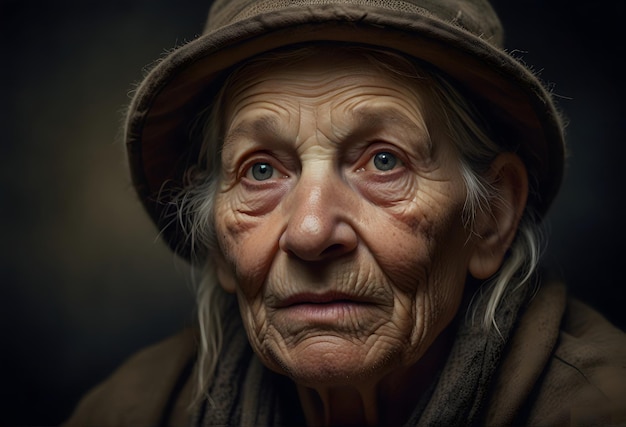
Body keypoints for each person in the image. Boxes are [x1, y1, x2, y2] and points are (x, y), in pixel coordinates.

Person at [64, 0, 626, 425]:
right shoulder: (128, 410)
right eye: (261, 170)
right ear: (220, 246)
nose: (310, 232)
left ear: (491, 218)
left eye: (384, 161)